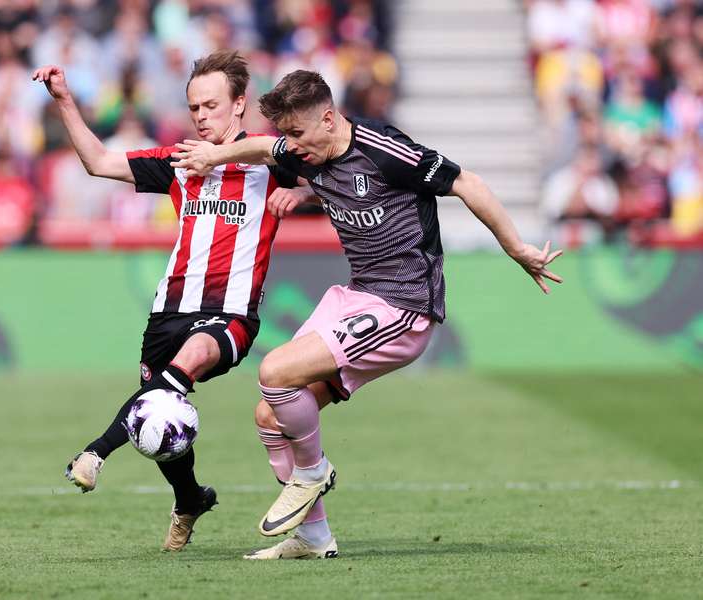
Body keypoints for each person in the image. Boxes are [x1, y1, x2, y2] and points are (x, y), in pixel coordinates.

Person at [171, 69, 564, 559]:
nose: (290, 147)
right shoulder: (307, 150)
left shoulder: (384, 149)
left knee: (275, 371)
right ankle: (314, 539)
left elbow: (468, 183)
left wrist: (516, 248)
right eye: (286, 135)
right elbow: (264, 149)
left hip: (404, 303)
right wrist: (241, 166)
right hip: (357, 296)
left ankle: (313, 473)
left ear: (329, 119)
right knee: (270, 416)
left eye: (296, 134)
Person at [32, 51, 304, 552]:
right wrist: (66, 102)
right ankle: (189, 500)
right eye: (194, 107)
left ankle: (94, 453)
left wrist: (304, 194)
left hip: (231, 314)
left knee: (188, 364)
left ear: (240, 105)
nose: (201, 116)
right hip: (169, 312)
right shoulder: (180, 163)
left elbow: (330, 171)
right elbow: (98, 163)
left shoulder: (272, 160)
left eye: (212, 105)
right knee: (164, 419)